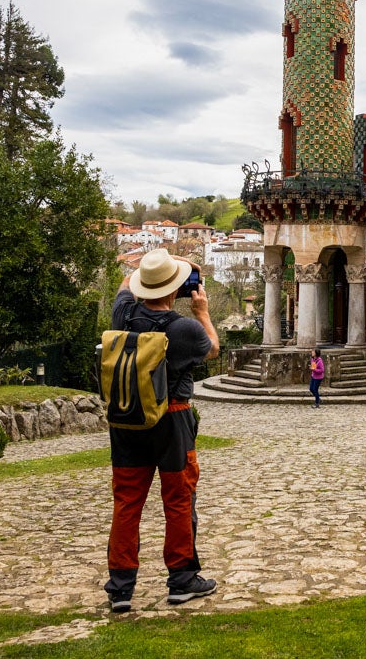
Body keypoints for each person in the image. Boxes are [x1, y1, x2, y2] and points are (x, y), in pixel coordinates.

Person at [104, 248, 220, 613]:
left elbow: (126, 285)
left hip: (127, 419)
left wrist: (148, 270)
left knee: (126, 502)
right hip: (172, 419)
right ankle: (182, 580)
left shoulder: (123, 312)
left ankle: (121, 588)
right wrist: (201, 311)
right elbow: (213, 349)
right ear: (174, 290)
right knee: (178, 500)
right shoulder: (184, 328)